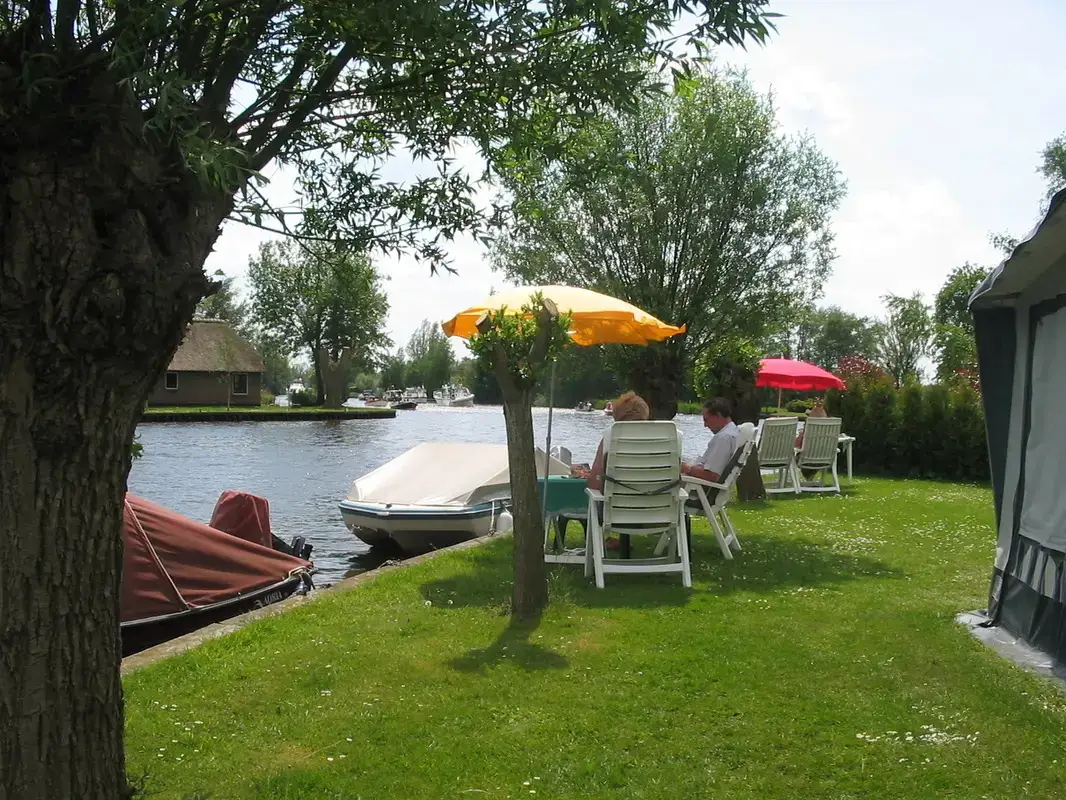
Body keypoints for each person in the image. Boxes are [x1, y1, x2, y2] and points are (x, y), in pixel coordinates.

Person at [570, 390, 650, 551]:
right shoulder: (665, 438)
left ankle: (600, 544)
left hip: (615, 514)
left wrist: (595, 476)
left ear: (617, 417)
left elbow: (593, 484)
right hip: (657, 514)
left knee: (594, 496)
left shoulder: (610, 438)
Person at [681, 397, 739, 484]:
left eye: (706, 420)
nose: (705, 425)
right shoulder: (734, 432)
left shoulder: (723, 438)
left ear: (718, 416)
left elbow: (712, 476)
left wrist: (687, 468)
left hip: (701, 487)